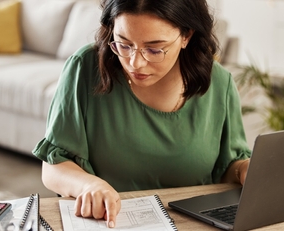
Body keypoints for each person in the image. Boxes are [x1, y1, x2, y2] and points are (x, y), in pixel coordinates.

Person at [33, 0, 251, 228]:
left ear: (186, 36)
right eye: (124, 45)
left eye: (154, 49)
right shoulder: (85, 68)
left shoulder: (219, 84)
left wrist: (244, 170)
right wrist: (88, 186)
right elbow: (53, 167)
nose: (135, 63)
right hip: (110, 223)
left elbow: (229, 169)